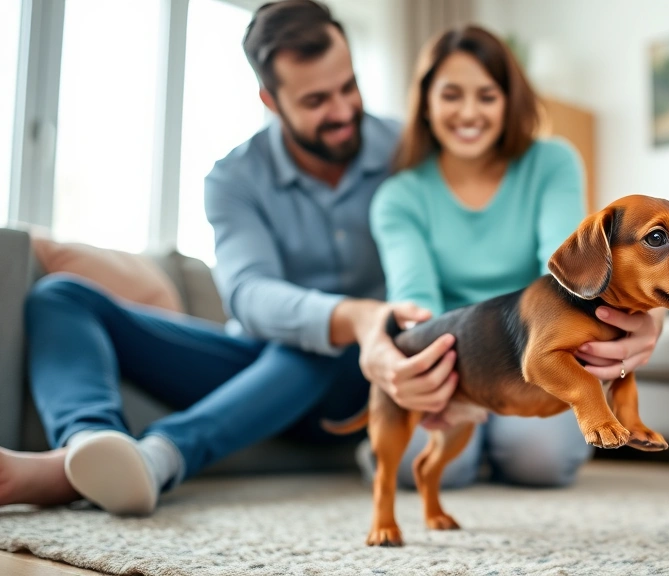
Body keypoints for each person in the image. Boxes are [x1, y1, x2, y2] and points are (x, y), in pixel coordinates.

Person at [0, 0, 455, 516]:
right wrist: (351, 314)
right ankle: (88, 449)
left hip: (369, 381)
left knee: (321, 341)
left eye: (348, 86)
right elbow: (248, 293)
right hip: (260, 371)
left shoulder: (409, 150)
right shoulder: (234, 178)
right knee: (61, 296)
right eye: (316, 100)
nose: (343, 110)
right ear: (270, 99)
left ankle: (158, 457)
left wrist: (359, 324)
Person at [366, 25, 668, 489]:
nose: (469, 112)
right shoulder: (398, 196)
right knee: (422, 468)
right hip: (456, 355)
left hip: (538, 349)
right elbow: (417, 306)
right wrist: (450, 381)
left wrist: (646, 315)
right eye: (451, 95)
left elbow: (569, 275)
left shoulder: (553, 161)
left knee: (538, 461)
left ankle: (497, 442)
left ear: (509, 100)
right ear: (426, 102)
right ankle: (466, 445)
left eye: (487, 95)